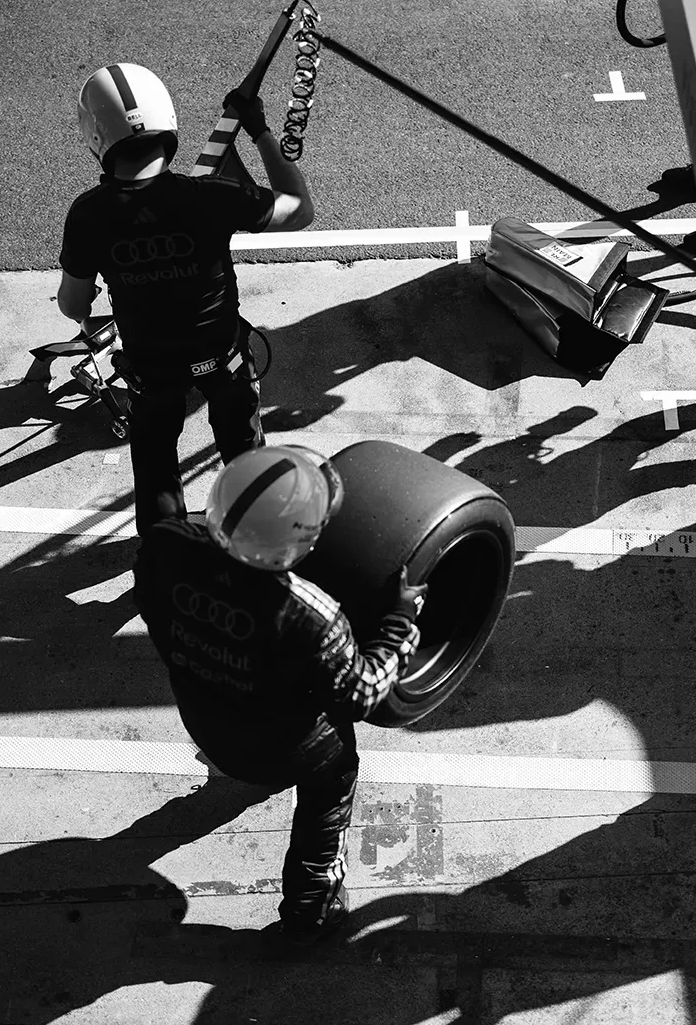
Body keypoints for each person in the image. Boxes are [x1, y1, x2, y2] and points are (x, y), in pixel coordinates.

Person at [133, 444, 428, 945]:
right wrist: (400, 623)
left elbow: (152, 608)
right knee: (334, 777)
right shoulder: (313, 615)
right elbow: (362, 695)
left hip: (204, 716)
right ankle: (311, 906)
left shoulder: (164, 545)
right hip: (286, 748)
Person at [57, 62, 316, 531]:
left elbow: (74, 306)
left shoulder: (88, 216)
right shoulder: (212, 196)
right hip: (224, 357)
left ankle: (163, 557)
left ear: (94, 137)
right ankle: (257, 545)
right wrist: (257, 128)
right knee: (245, 459)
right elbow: (299, 208)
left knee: (157, 467)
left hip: (153, 370)